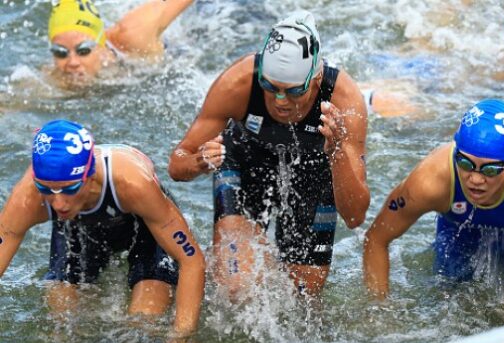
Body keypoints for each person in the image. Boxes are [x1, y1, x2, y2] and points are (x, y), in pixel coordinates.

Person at [168, 10, 370, 296]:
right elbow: (177, 164)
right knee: (236, 288)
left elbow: (355, 215)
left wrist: (336, 151)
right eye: (270, 87)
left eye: (293, 91)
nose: (280, 101)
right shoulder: (237, 84)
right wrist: (198, 161)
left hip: (314, 172)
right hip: (247, 162)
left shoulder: (344, 101)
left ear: (316, 78)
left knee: (302, 301)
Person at [363, 99, 504, 321]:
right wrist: (379, 310)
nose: (475, 179)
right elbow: (376, 238)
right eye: (464, 163)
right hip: (458, 233)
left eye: (490, 170)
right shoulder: (430, 181)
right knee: (452, 312)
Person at [0, 120, 205, 336]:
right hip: (77, 228)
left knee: (143, 326)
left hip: (143, 227)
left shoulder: (132, 184)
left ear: (89, 176)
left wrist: (182, 338)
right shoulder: (28, 199)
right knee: (62, 327)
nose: (58, 203)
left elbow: (191, 261)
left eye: (70, 188)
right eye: (46, 188)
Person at [48, 0, 193, 84]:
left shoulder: (132, 35)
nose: (72, 62)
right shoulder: (55, 77)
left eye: (83, 51)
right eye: (61, 53)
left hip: (188, 45)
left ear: (100, 44)